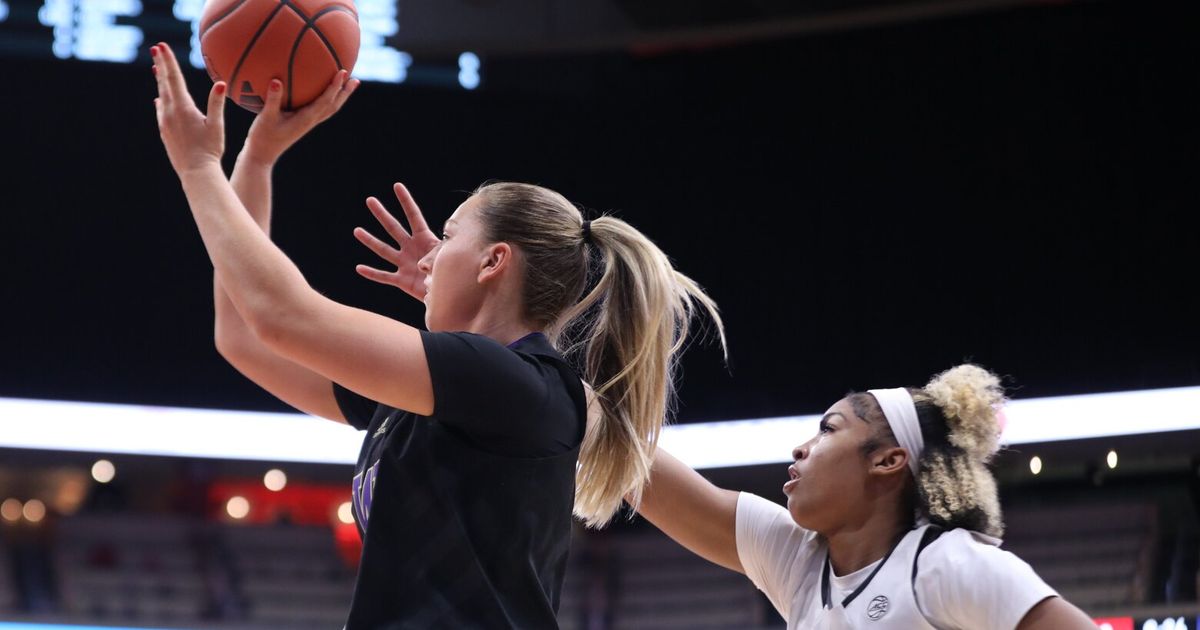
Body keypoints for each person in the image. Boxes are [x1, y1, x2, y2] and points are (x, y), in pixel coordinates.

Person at [149, 42, 723, 628]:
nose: (428, 258)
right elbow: (243, 336)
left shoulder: (514, 383)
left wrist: (199, 169)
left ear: (494, 261)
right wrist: (258, 161)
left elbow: (280, 314)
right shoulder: (454, 392)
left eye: (447, 238)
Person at [636, 364, 1098, 629]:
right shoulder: (798, 562)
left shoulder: (946, 564)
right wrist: (566, 389)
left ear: (886, 461)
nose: (802, 448)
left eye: (828, 430)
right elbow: (635, 469)